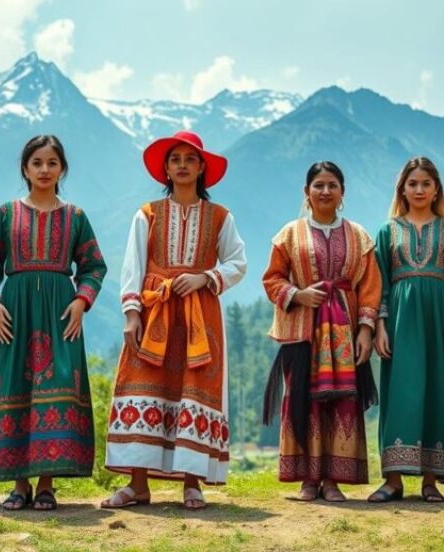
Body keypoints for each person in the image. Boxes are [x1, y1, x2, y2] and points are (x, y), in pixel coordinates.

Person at [101, 130, 247, 510]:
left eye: (190, 159)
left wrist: (205, 277)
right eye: (176, 159)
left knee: (194, 388)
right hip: (154, 311)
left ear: (202, 168)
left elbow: (238, 263)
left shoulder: (220, 217)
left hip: (201, 315)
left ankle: (192, 482)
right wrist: (131, 313)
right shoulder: (147, 214)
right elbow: (132, 264)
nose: (182, 165)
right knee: (144, 383)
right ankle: (138, 484)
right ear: (166, 168)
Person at [0, 135, 107, 510]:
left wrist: (82, 301)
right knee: (14, 386)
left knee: (59, 383)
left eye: (52, 162)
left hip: (61, 315)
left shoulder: (75, 217)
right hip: (13, 315)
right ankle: (20, 486)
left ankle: (47, 484)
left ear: (62, 168)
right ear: (25, 168)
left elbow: (94, 265)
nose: (45, 170)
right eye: (37, 163)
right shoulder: (6, 214)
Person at [262, 161, 381, 502]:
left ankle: (333, 480)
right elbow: (272, 279)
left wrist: (366, 330)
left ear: (342, 192)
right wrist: (297, 294)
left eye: (332, 185)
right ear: (306, 192)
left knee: (341, 402)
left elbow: (370, 286)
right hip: (302, 330)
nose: (325, 191)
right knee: (302, 400)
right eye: (318, 185)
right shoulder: (288, 235)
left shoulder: (360, 236)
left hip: (344, 332)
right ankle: (308, 480)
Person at [369, 157, 444, 503]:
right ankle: (394, 480)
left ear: (436, 189)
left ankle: (431, 480)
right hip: (399, 321)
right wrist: (379, 326)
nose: (418, 190)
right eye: (412, 184)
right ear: (402, 188)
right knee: (400, 393)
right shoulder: (388, 230)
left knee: (437, 391)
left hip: (439, 322)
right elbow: (377, 283)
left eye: (425, 184)